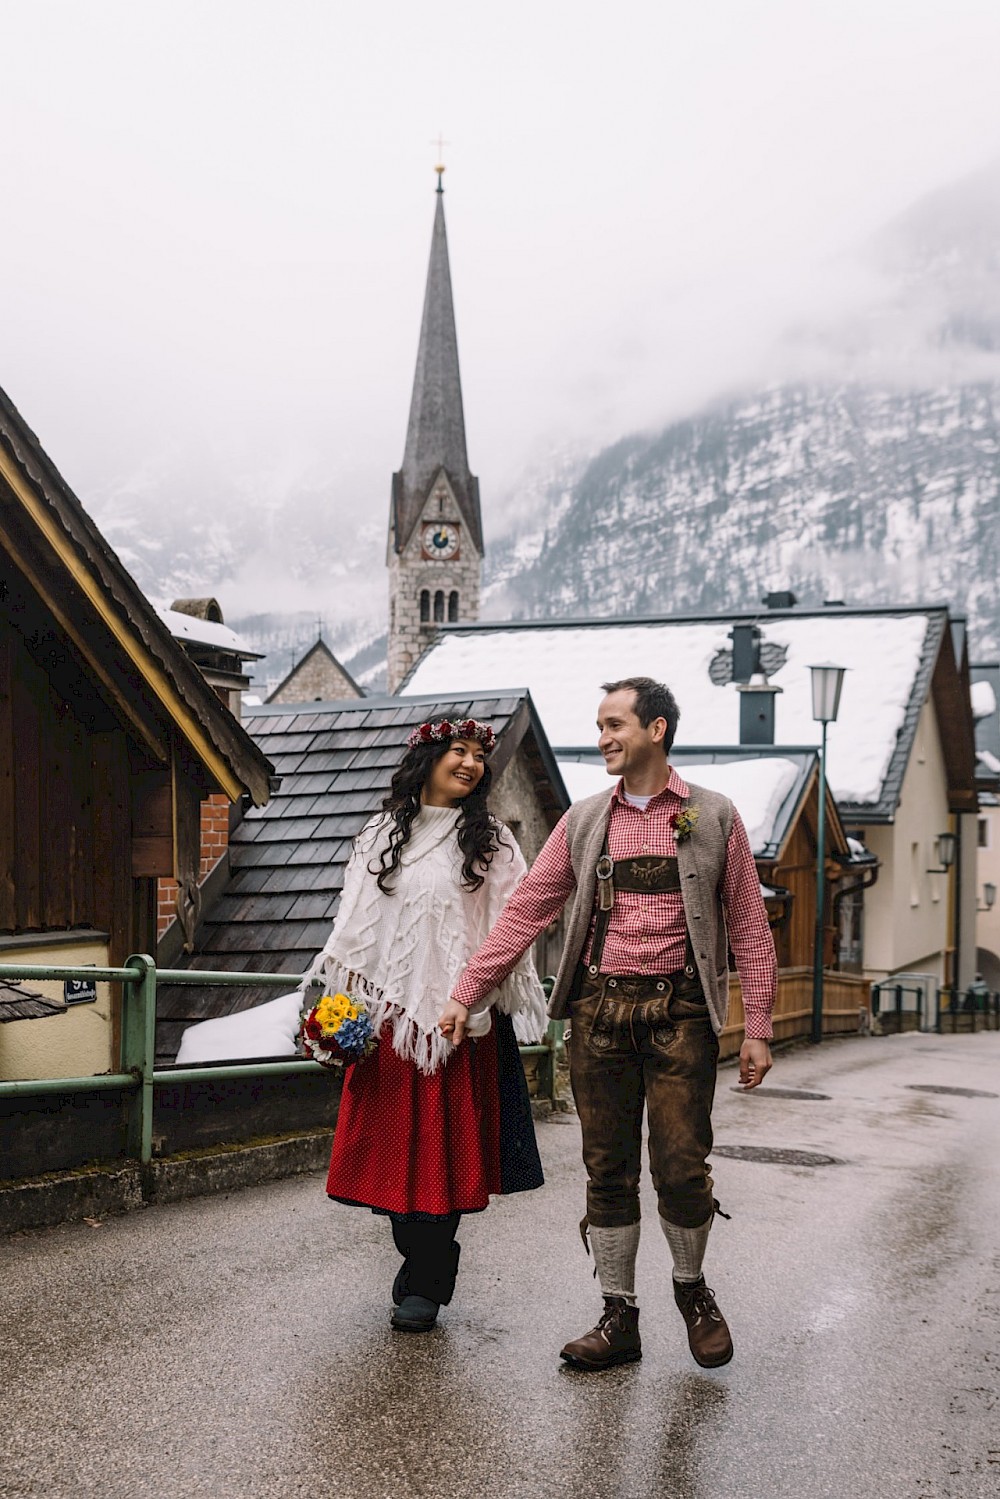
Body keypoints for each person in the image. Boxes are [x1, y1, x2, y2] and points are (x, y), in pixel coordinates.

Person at [439, 677, 776, 1371]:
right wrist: (467, 990)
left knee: (682, 1168)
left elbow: (749, 922)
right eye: (599, 724)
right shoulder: (584, 818)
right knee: (608, 1170)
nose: (603, 738)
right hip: (598, 1012)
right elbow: (527, 910)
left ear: (656, 728)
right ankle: (618, 1316)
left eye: (615, 723)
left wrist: (761, 1026)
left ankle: (691, 1288)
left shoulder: (715, 816)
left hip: (682, 1012)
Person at [303, 718, 546, 1333]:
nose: (469, 763)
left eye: (478, 756)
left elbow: (511, 926)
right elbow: (354, 925)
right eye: (457, 752)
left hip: (457, 1022)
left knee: (443, 1159)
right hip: (388, 1022)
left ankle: (428, 1279)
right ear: (428, 758)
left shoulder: (490, 841)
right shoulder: (381, 835)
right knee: (395, 1158)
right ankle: (421, 1259)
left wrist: (477, 995)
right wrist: (338, 1001)